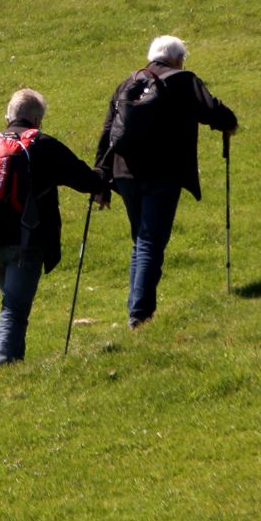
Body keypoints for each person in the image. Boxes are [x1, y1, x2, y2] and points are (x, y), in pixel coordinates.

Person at [0, 88, 107, 370]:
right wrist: (104, 180)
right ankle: (2, 370)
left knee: (14, 307)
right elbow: (83, 178)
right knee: (14, 310)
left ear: (8, 116)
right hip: (27, 241)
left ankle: (14, 368)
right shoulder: (42, 144)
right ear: (37, 118)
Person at [94, 35, 238, 329]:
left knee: (141, 241)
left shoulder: (128, 83)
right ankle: (140, 315)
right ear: (178, 58)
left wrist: (101, 182)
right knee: (150, 241)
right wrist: (229, 123)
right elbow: (212, 110)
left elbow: (108, 133)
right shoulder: (182, 79)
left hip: (125, 174)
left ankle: (137, 311)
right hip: (161, 173)